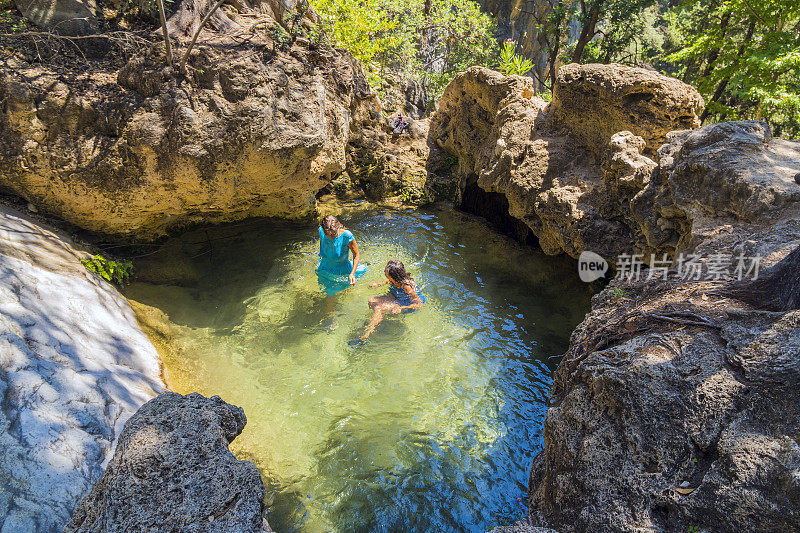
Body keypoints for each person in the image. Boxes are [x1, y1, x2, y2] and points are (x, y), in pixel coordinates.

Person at [356, 259, 425, 343]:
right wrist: (379, 284)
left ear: (393, 276)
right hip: (396, 296)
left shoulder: (407, 287)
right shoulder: (396, 280)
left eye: (386, 271)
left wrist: (402, 308)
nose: (384, 271)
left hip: (404, 303)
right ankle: (377, 320)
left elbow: (419, 304)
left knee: (378, 308)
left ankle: (366, 334)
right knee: (372, 300)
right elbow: (389, 281)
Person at [316, 215, 366, 302]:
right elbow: (322, 242)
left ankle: (332, 315)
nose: (330, 237)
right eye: (327, 234)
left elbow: (356, 255)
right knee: (325, 295)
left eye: (333, 234)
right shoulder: (321, 230)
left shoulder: (347, 236)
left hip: (342, 272)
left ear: (338, 227)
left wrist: (352, 274)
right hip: (324, 269)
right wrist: (321, 254)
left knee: (334, 299)